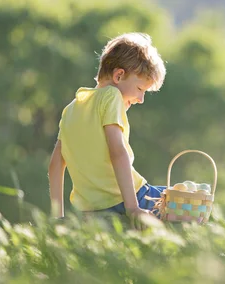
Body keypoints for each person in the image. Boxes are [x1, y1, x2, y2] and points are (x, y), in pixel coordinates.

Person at [47, 32, 167, 223]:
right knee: (185, 200)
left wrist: (57, 216)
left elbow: (55, 165)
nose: (141, 99)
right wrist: (133, 208)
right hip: (127, 198)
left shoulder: (71, 109)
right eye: (140, 89)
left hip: (89, 209)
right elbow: (117, 152)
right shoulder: (111, 96)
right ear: (119, 75)